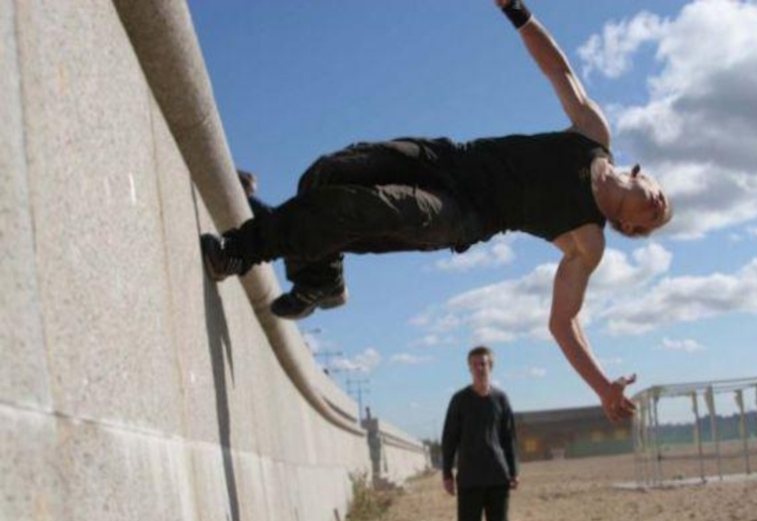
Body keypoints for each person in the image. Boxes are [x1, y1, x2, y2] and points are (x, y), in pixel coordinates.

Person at [201, 0, 672, 421]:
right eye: (661, 198)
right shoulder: (594, 134)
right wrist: (516, 10)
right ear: (642, 173)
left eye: (655, 219)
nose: (657, 206)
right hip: (448, 158)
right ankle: (320, 278)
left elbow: (563, 323)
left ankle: (239, 251)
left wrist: (602, 386)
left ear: (629, 226)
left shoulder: (588, 240)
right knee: (326, 173)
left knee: (362, 208)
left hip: (460, 214)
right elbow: (558, 70)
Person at [441, 346, 518, 521]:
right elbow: (449, 438)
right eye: (475, 364)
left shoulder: (501, 399)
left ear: (490, 366)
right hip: (469, 480)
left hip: (498, 478)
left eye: (483, 363)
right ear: (469, 368)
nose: (479, 368)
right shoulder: (459, 400)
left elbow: (509, 438)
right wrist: (447, 473)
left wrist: (514, 470)